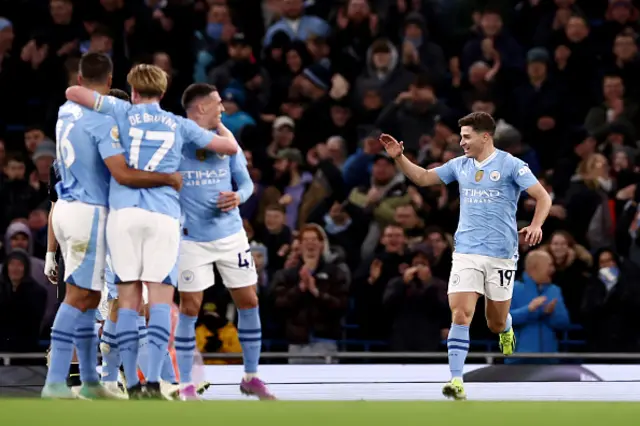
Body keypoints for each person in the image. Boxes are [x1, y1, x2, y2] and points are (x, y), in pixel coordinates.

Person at [65, 63, 238, 398]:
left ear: (132, 90)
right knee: (159, 299)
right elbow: (228, 148)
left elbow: (73, 92)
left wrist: (107, 102)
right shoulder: (177, 123)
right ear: (163, 91)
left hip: (124, 214)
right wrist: (217, 122)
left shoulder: (120, 110)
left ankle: (132, 382)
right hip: (163, 217)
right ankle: (156, 382)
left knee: (127, 298)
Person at [380, 111, 552, 400]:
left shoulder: (511, 165)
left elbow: (543, 197)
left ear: (485, 136)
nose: (461, 142)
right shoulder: (460, 166)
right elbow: (422, 178)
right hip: (466, 252)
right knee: (460, 313)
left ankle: (506, 327)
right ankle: (456, 381)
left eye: (466, 137)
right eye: (461, 136)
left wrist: (535, 225)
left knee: (494, 322)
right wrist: (399, 157)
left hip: (501, 255)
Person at [42, 53, 184, 400]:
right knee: (79, 297)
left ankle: (92, 383)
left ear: (80, 78)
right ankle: (56, 383)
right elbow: (121, 173)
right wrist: (166, 177)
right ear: (108, 83)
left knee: (90, 299)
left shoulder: (65, 111)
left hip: (67, 207)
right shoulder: (103, 123)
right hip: (88, 211)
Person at [175, 83, 274, 400]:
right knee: (190, 308)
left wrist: (237, 197)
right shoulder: (175, 140)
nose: (223, 107)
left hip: (230, 236)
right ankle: (187, 383)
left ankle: (250, 376)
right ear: (200, 107)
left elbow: (246, 185)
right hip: (191, 239)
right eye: (217, 103)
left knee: (249, 301)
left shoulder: (227, 140)